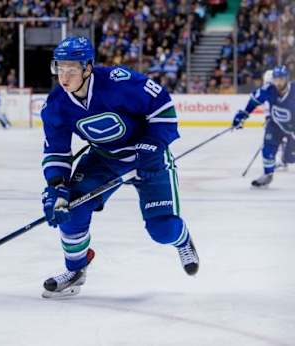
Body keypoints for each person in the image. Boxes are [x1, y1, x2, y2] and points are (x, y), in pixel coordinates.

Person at [40, 36, 199, 299]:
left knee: (162, 230)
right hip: (104, 159)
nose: (64, 76)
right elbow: (56, 151)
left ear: (88, 67)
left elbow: (163, 108)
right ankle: (76, 270)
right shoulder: (56, 104)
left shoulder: (118, 82)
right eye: (60, 68)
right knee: (72, 208)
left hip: (148, 157)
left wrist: (152, 146)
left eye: (71, 69)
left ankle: (182, 240)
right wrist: (56, 187)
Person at [232, 65, 295, 187]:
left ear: (286, 78)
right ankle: (267, 175)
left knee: (290, 158)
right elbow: (254, 101)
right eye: (276, 79)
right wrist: (243, 114)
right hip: (275, 124)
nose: (278, 82)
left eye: (281, 79)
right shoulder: (268, 89)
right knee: (267, 149)